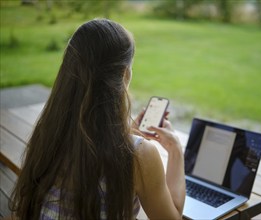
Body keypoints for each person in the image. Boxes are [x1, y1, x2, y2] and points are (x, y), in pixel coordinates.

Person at [8, 19, 186, 220]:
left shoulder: (48, 134)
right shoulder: (140, 157)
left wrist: (129, 134)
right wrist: (175, 151)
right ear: (125, 75)